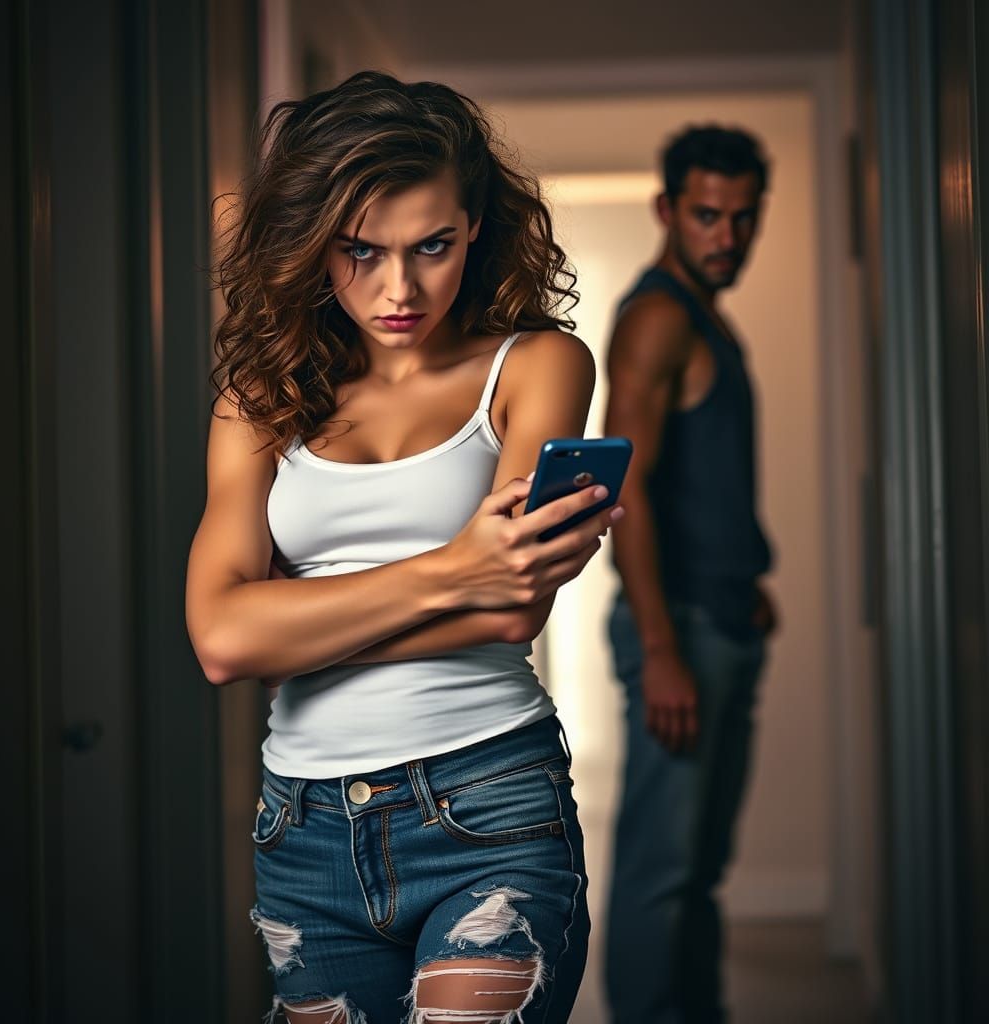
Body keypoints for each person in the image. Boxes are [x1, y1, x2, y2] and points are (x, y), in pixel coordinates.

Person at [185, 71, 620, 1024]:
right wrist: (454, 567)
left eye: (433, 245)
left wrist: (293, 631)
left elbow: (513, 609)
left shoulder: (536, 365)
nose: (399, 288)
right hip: (302, 829)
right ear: (312, 246)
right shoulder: (260, 399)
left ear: (475, 228)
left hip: (489, 800)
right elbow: (219, 637)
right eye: (361, 252)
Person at [602, 125, 777, 1023]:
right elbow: (624, 489)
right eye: (708, 215)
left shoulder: (703, 311)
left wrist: (744, 578)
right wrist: (664, 648)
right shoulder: (660, 315)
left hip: (720, 619)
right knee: (660, 876)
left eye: (744, 218)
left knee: (698, 873)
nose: (727, 237)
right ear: (668, 210)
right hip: (683, 635)